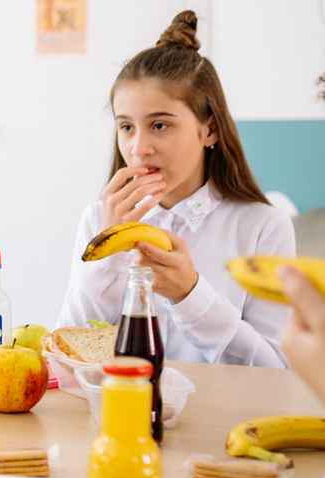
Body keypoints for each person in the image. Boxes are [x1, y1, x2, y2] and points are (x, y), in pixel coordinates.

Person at [57, 10, 294, 367]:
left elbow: (277, 370)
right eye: (126, 127)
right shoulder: (97, 221)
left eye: (160, 126)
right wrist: (103, 262)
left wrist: (190, 294)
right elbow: (65, 356)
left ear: (209, 130)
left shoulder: (264, 228)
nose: (138, 148)